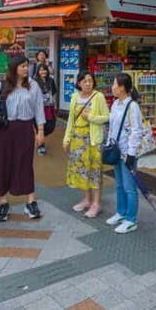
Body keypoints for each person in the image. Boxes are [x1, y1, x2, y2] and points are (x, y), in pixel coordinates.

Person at [0, 55, 45, 222]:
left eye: (27, 66)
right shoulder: (1, 86)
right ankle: (3, 202)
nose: (26, 69)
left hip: (25, 129)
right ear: (14, 68)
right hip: (3, 131)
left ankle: (30, 201)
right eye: (22, 66)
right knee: (1, 165)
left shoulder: (33, 86)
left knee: (25, 164)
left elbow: (38, 109)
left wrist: (40, 131)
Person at [63, 71, 109, 218]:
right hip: (77, 139)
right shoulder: (75, 97)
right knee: (82, 171)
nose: (88, 83)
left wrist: (90, 117)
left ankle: (96, 203)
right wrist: (66, 139)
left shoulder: (98, 97)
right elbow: (71, 119)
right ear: (79, 83)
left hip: (93, 140)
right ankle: (87, 199)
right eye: (84, 81)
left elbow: (107, 117)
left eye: (90, 80)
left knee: (94, 171)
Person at [104, 73, 144, 234]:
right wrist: (109, 145)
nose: (112, 87)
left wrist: (131, 154)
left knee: (129, 187)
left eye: (114, 84)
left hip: (127, 152)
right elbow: (112, 128)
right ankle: (121, 212)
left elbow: (136, 131)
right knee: (119, 184)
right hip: (116, 150)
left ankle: (131, 219)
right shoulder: (115, 104)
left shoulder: (132, 106)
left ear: (122, 88)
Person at [34, 62, 58, 155]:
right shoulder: (34, 81)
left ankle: (39, 137)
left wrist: (54, 103)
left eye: (44, 69)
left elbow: (54, 92)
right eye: (41, 70)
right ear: (38, 71)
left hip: (49, 107)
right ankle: (41, 145)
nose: (43, 71)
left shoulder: (51, 80)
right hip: (39, 107)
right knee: (40, 126)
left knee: (51, 126)